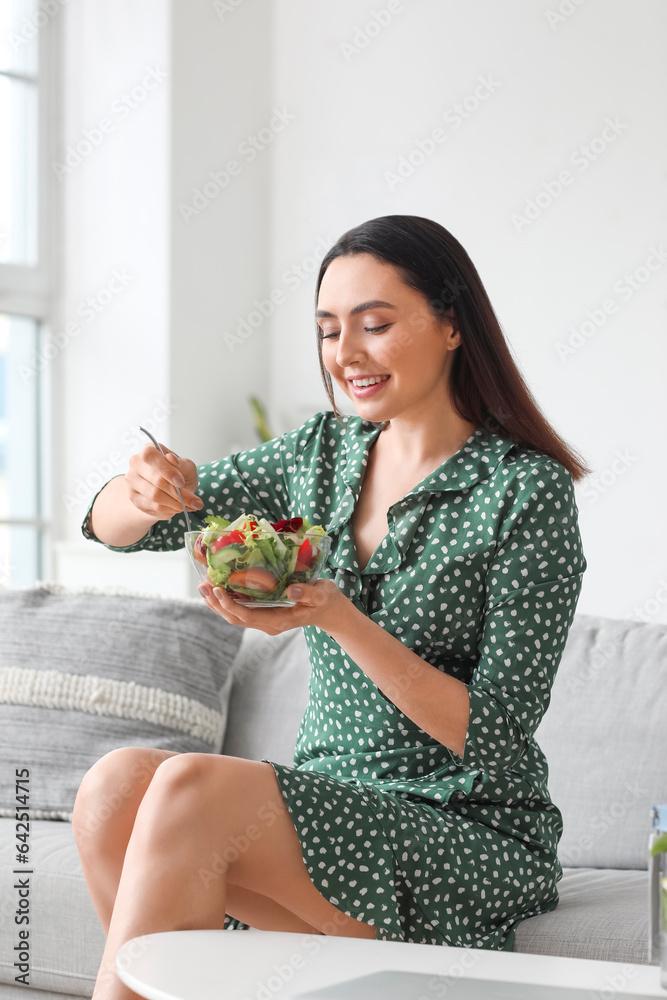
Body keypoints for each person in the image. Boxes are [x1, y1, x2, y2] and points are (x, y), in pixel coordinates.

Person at [74, 214, 589, 999]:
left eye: (374, 325)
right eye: (326, 331)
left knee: (192, 789)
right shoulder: (319, 453)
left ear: (452, 326)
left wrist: (338, 617)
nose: (345, 355)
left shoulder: (524, 491)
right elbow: (117, 529)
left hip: (463, 825)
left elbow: (494, 733)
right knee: (113, 785)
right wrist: (141, 489)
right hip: (326, 806)